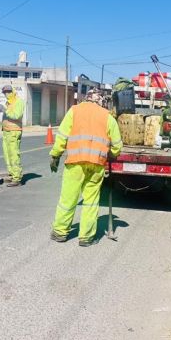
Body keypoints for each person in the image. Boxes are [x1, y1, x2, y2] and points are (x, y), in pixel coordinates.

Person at [49, 89, 122, 246]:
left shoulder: (74, 111)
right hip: (96, 164)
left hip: (75, 162)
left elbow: (62, 135)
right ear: (100, 101)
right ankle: (86, 237)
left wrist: (55, 155)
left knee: (68, 198)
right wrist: (112, 155)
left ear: (86, 99)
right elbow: (117, 145)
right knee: (90, 201)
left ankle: (60, 232)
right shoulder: (107, 116)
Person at [0, 85, 25, 187]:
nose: (6, 94)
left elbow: (17, 115)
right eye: (4, 92)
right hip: (6, 131)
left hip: (14, 131)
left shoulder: (19, 102)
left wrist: (5, 110)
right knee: (7, 155)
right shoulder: (8, 103)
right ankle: (12, 174)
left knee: (13, 154)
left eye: (8, 92)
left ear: (12, 91)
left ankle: (17, 178)